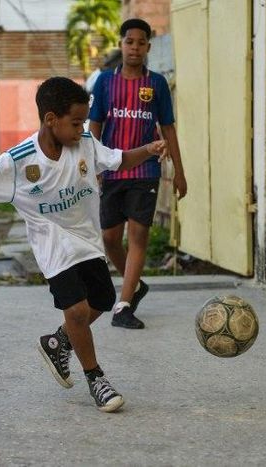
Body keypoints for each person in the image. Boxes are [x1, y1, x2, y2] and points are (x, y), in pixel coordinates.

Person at [0, 77, 168, 412]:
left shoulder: (86, 144)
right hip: (53, 246)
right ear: (50, 119)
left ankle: (57, 342)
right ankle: (96, 379)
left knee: (102, 301)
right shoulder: (20, 160)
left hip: (86, 241)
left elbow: (118, 160)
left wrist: (147, 150)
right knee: (75, 310)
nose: (81, 128)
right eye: (75, 122)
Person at [89, 18, 187, 330]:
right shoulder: (105, 81)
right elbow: (94, 126)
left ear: (148, 47)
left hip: (146, 169)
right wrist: (92, 166)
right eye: (129, 42)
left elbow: (168, 128)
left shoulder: (156, 84)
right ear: (121, 44)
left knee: (139, 235)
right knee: (109, 238)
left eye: (140, 43)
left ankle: (125, 303)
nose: (134, 48)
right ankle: (136, 285)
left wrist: (180, 173)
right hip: (113, 168)